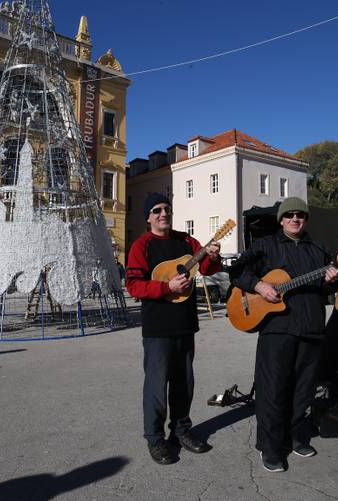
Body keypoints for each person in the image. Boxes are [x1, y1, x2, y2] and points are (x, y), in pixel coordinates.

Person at [229, 197, 338, 473]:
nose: (294, 219)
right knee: (272, 391)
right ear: (280, 219)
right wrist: (259, 285)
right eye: (289, 215)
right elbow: (236, 271)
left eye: (300, 215)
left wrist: (331, 282)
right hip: (277, 330)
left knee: (303, 391)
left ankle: (294, 437)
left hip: (312, 328)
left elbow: (325, 293)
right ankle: (270, 446)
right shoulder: (265, 246)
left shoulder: (319, 249)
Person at [126, 192, 222, 465]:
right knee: (156, 388)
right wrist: (167, 287)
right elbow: (133, 285)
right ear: (148, 216)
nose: (163, 214)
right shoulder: (141, 246)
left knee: (184, 384)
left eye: (167, 208)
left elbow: (208, 268)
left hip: (185, 325)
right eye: (156, 210)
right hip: (157, 329)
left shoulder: (188, 241)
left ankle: (181, 432)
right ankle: (155, 439)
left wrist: (213, 255)